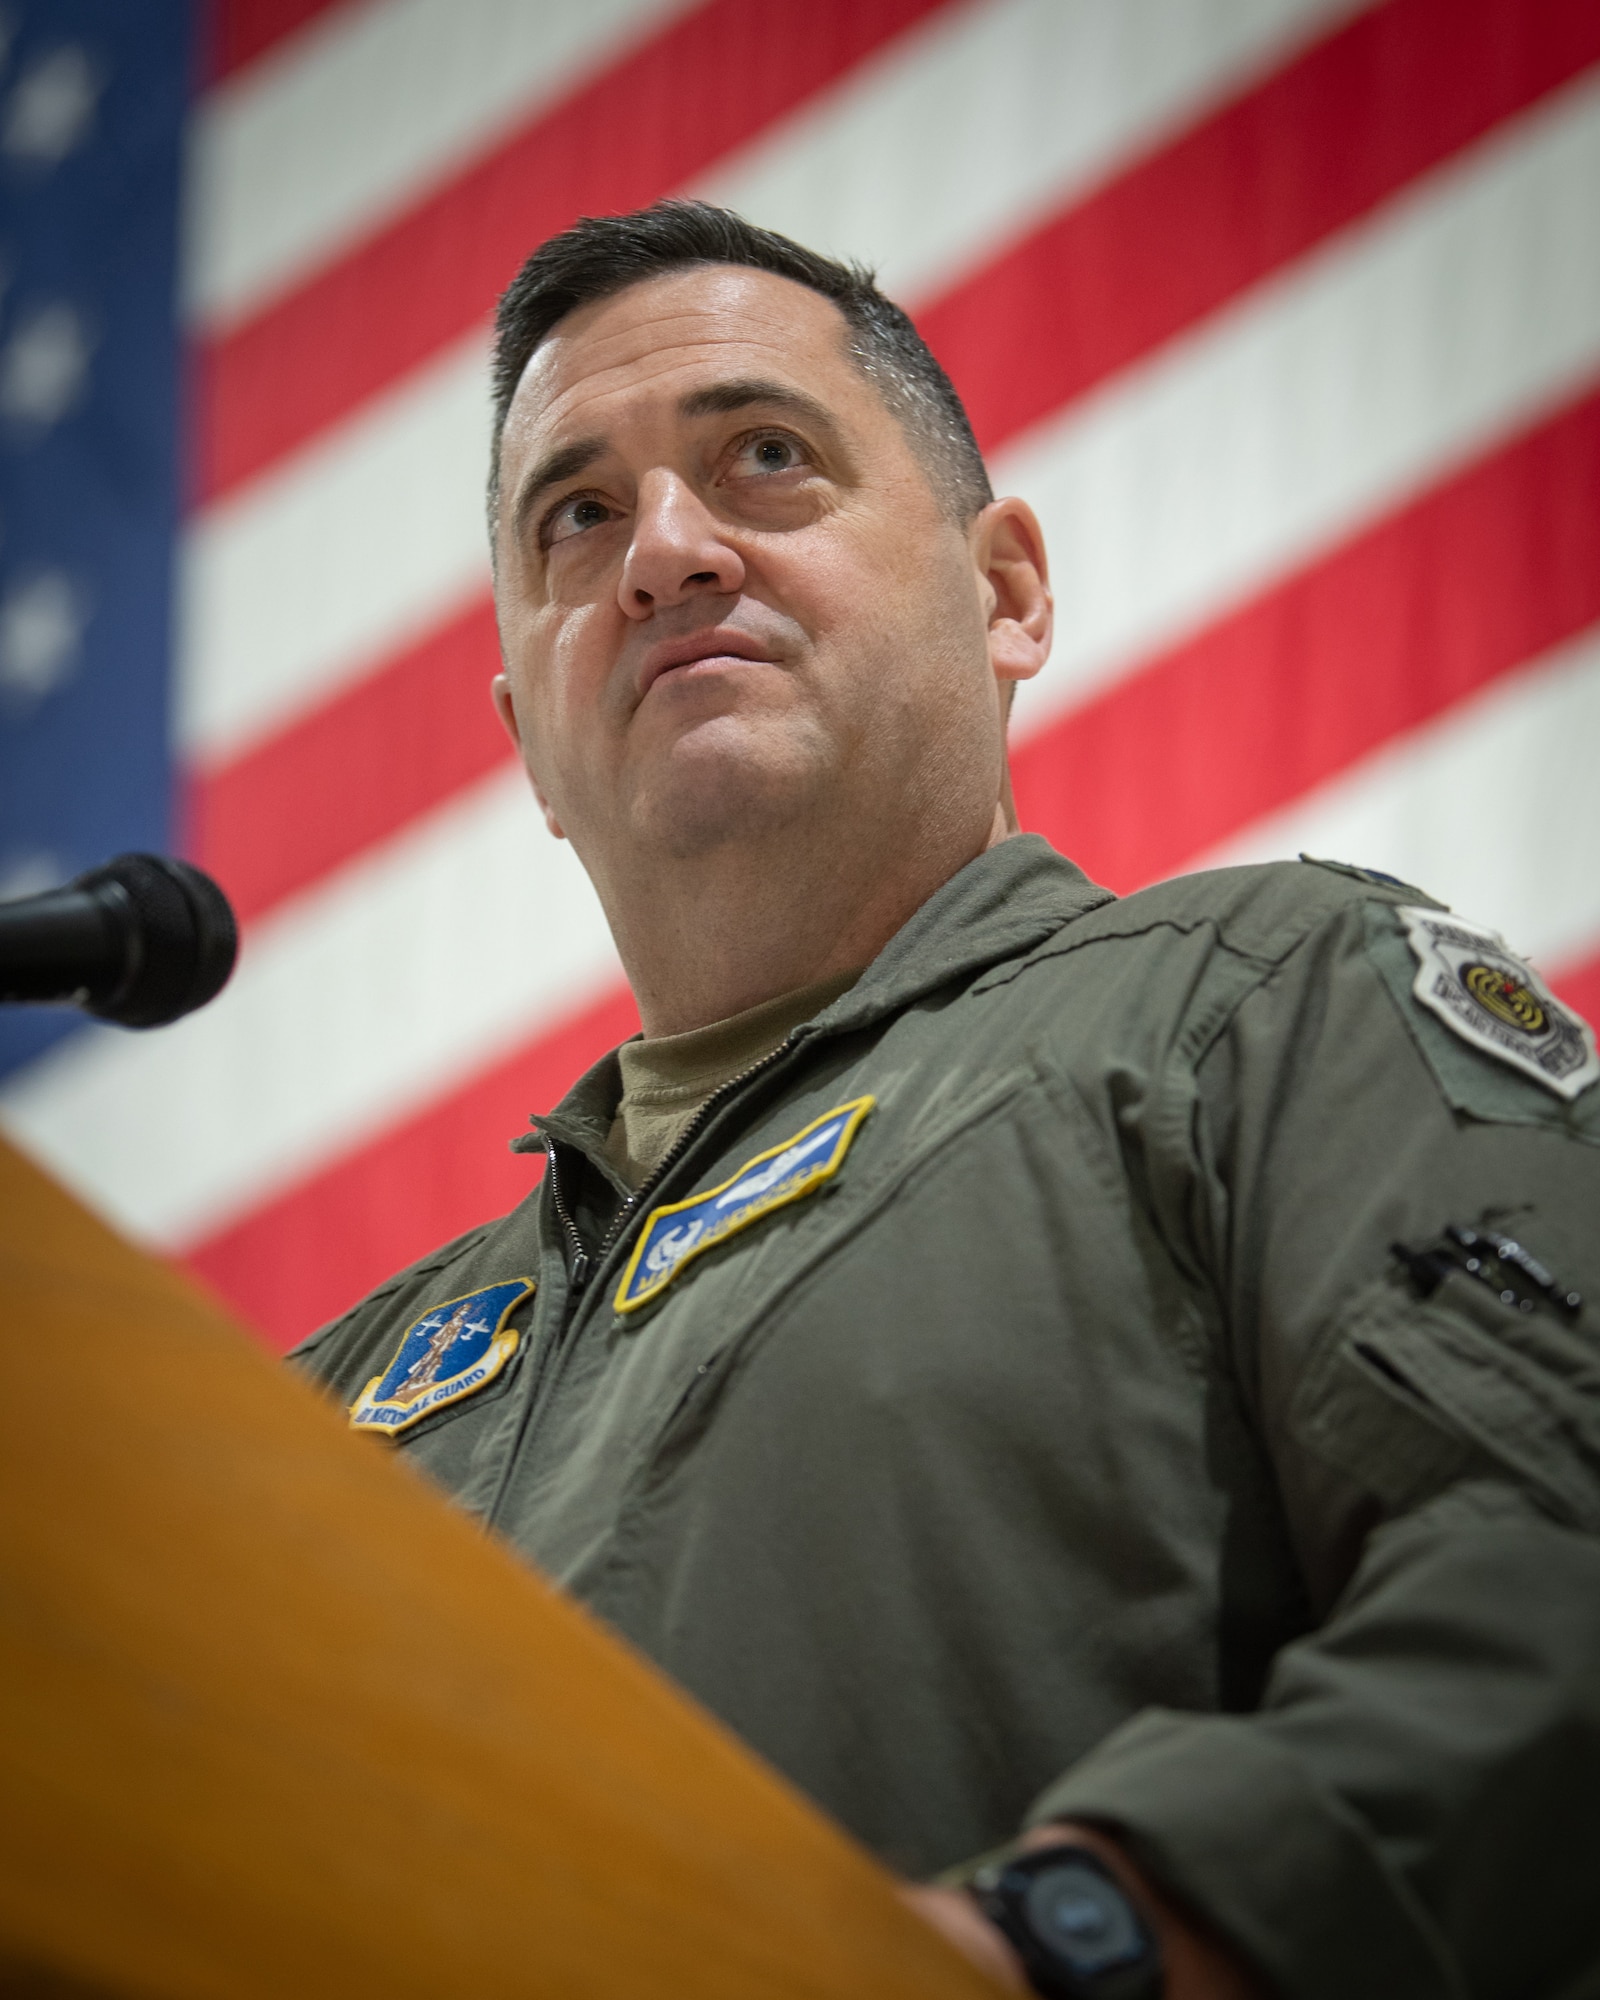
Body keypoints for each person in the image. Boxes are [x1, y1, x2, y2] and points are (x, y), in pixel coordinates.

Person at [293, 202, 1600, 2000]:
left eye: (763, 458)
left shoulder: (1261, 1000)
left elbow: (1554, 1549)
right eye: (576, 515)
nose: (664, 552)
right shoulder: (322, 1406)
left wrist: (1081, 1937)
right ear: (526, 735)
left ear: (1005, 593)